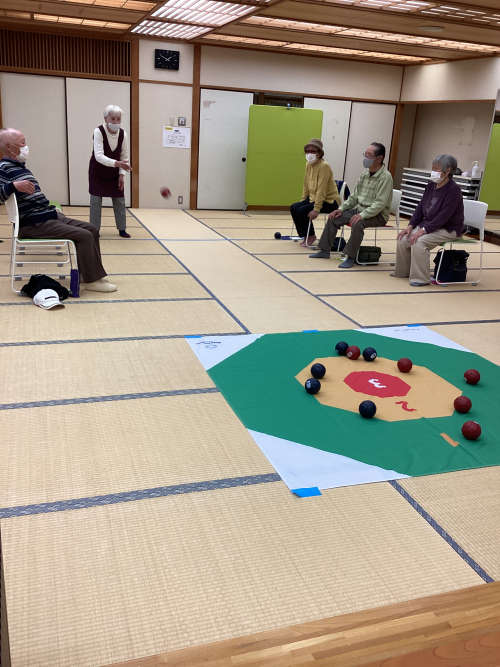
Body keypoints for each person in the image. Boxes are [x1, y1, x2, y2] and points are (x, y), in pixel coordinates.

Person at [0, 128, 117, 293]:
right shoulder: (3, 168)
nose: (26, 147)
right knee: (84, 236)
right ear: (9, 146)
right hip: (33, 224)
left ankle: (90, 274)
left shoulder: (19, 167)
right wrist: (13, 186)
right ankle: (92, 281)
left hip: (47, 216)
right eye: (22, 143)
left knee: (92, 229)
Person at [309, 142, 393, 268]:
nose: (365, 158)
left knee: (357, 223)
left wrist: (362, 215)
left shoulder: (385, 178)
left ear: (379, 158)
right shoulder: (365, 174)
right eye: (365, 154)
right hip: (360, 209)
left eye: (369, 155)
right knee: (333, 218)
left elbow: (379, 204)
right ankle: (324, 250)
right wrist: (341, 209)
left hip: (378, 215)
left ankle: (350, 257)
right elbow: (354, 197)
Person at [393, 154, 464, 287]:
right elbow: (420, 207)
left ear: (447, 171)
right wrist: (411, 225)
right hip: (430, 225)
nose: (433, 171)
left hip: (448, 229)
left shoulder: (453, 190)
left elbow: (443, 217)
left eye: (436, 168)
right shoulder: (431, 185)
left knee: (419, 241)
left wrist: (422, 231)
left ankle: (421, 278)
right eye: (433, 168)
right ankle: (403, 271)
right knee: (403, 238)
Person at [89, 105, 132, 238]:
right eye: (112, 119)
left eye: (118, 119)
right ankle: (94, 230)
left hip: (114, 173)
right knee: (95, 202)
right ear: (105, 119)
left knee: (120, 200)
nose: (116, 122)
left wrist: (121, 174)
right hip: (97, 172)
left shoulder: (123, 134)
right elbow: (99, 156)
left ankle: (122, 229)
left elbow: (124, 157)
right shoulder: (98, 131)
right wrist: (117, 163)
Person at [290, 139, 340, 247]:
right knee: (294, 207)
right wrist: (303, 200)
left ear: (319, 153)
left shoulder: (324, 166)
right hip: (313, 198)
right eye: (307, 151)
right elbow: (306, 184)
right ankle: (304, 235)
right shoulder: (308, 164)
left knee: (303, 210)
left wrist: (316, 209)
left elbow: (322, 190)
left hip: (329, 201)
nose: (309, 154)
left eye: (313, 151)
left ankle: (311, 236)